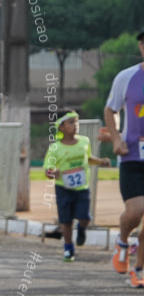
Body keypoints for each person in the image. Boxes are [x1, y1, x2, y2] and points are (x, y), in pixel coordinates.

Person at [104, 31, 144, 286]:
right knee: (136, 211)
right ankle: (122, 241)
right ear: (141, 47)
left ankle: (138, 270)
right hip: (131, 157)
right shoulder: (127, 77)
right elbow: (110, 109)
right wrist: (116, 139)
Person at [44, 110, 110, 262]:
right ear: (61, 127)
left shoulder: (84, 141)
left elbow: (88, 158)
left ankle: (81, 228)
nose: (76, 125)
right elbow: (48, 169)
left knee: (85, 217)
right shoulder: (56, 147)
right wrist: (54, 172)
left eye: (77, 122)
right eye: (71, 122)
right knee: (65, 221)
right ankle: (68, 248)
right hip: (63, 188)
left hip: (82, 188)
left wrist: (101, 161)